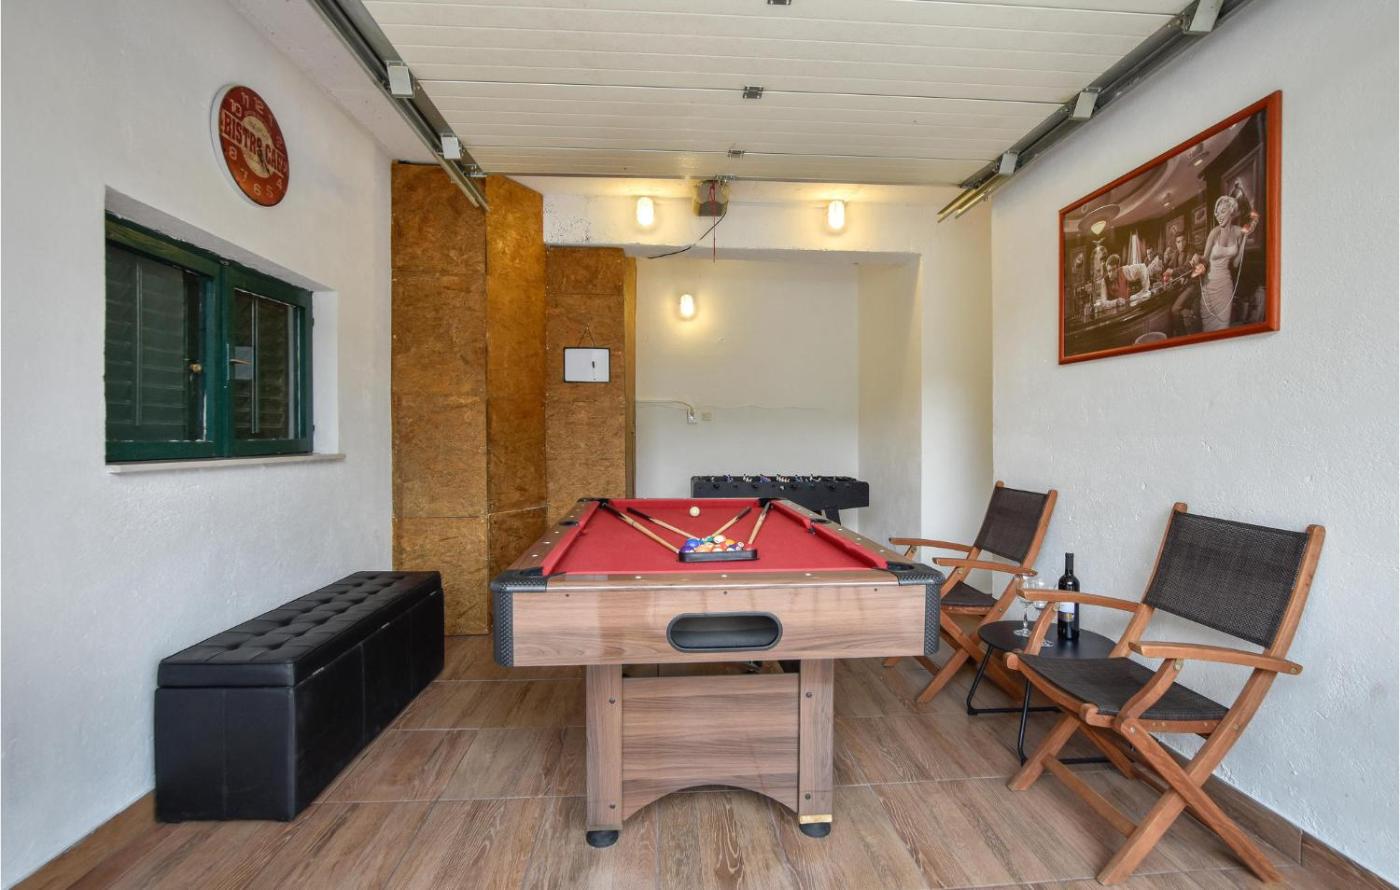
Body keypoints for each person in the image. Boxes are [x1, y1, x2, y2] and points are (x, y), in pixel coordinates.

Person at [1198, 195, 1248, 332]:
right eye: (1217, 212)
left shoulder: (1238, 232)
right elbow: (1205, 259)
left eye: (1223, 211)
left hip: (1225, 287)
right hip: (1210, 286)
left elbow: (1236, 263)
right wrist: (1197, 259)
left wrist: (1244, 239)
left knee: (1223, 328)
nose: (1219, 216)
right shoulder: (1214, 233)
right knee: (1208, 330)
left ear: (1231, 211)